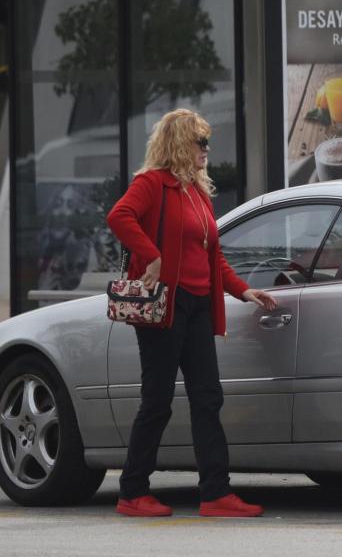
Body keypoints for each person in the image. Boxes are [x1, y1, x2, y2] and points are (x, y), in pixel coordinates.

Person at [107, 109, 277, 518]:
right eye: (200, 142)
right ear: (179, 144)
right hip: (166, 305)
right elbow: (119, 217)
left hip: (199, 305)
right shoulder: (152, 184)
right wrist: (152, 256)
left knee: (207, 398)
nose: (206, 149)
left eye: (207, 142)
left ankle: (215, 493)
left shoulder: (198, 193)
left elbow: (211, 256)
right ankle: (132, 491)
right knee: (158, 401)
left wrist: (243, 290)